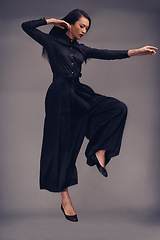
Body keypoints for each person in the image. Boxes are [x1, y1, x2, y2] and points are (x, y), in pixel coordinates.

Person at [21, 9, 158, 222]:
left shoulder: (82, 50)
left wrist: (136, 51)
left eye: (87, 28)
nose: (84, 30)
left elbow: (106, 53)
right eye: (82, 26)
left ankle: (98, 150)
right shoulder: (51, 43)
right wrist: (52, 21)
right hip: (59, 99)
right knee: (63, 147)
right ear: (70, 24)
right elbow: (26, 26)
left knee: (117, 108)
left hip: (78, 93)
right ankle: (65, 199)